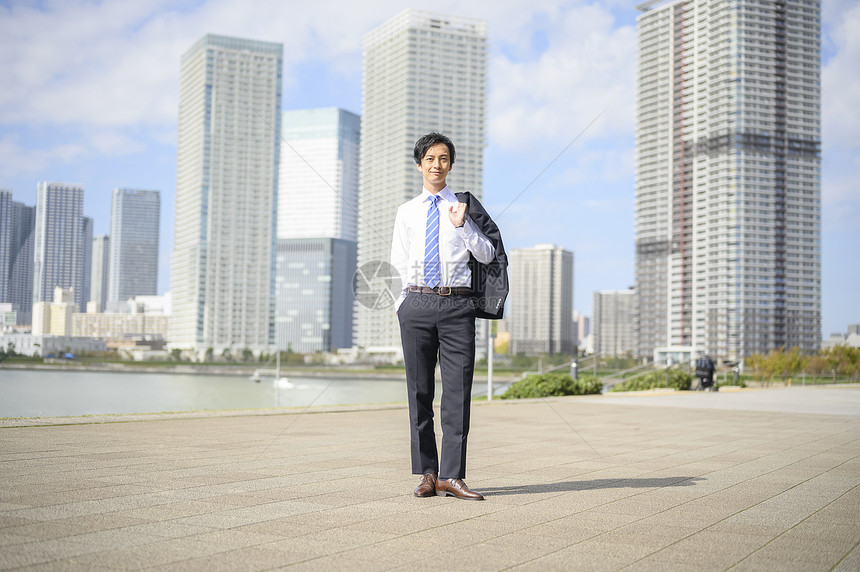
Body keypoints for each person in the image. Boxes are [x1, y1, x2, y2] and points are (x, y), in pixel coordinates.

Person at [391, 132, 504, 501]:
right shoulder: (407, 211)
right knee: (419, 392)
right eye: (429, 159)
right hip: (418, 305)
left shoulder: (464, 206)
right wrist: (400, 305)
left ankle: (451, 476)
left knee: (457, 392)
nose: (436, 165)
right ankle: (427, 473)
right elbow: (397, 262)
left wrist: (463, 225)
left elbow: (488, 254)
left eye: (443, 159)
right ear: (420, 164)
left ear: (450, 165)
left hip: (457, 307)